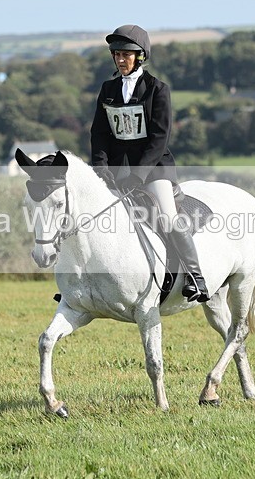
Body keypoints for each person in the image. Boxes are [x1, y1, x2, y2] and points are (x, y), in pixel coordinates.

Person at [90, 24, 209, 303]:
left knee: (167, 216)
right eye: (117, 55)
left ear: (140, 57)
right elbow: (99, 133)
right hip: (118, 170)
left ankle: (196, 277)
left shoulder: (158, 90)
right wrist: (100, 166)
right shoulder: (108, 90)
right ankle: (87, 284)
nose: (120, 60)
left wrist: (139, 175)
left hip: (154, 169)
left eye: (126, 55)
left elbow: (159, 138)